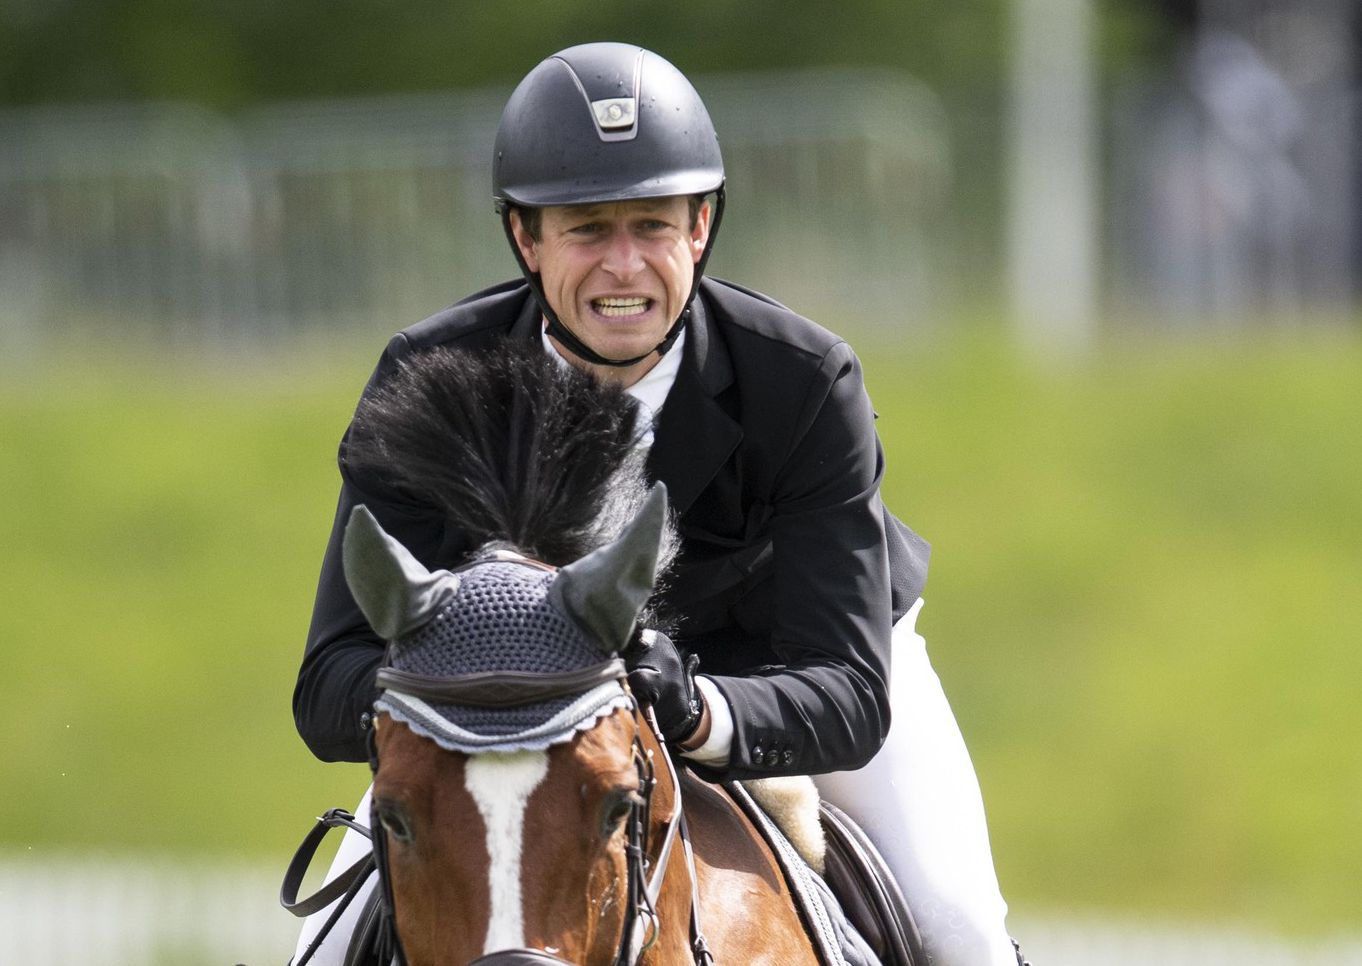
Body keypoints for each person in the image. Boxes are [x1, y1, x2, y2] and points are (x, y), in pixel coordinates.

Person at [295, 42, 1020, 965]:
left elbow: (845, 690)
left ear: (701, 227)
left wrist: (700, 710)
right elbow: (328, 686)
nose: (624, 267)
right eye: (587, 230)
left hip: (776, 675)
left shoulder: (801, 379)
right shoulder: (432, 379)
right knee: (322, 945)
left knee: (959, 926)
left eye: (652, 225)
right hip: (489, 719)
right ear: (526, 238)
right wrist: (460, 690)